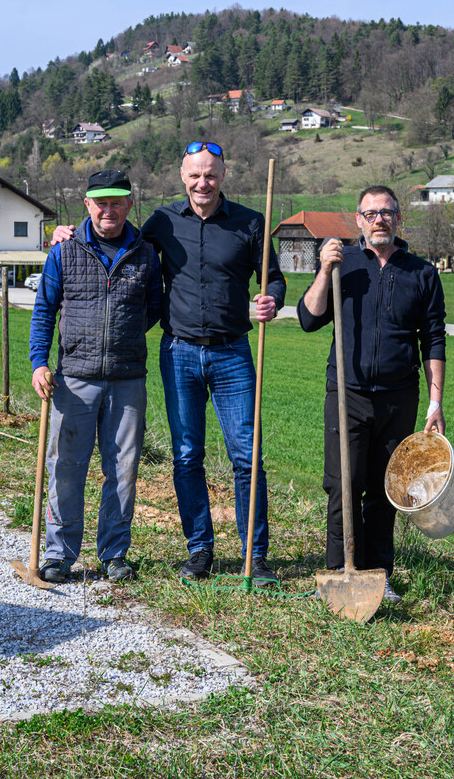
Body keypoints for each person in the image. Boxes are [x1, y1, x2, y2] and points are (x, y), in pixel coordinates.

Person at [50, 142, 285, 582]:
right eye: (195, 175)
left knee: (246, 457)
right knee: (187, 456)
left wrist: (272, 298)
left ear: (223, 174)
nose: (203, 183)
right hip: (179, 353)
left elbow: (274, 279)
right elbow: (116, 237)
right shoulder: (162, 222)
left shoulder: (252, 222)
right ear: (183, 176)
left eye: (210, 175)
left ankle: (255, 558)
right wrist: (69, 234)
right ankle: (200, 550)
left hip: (233, 353)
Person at [297, 185, 447, 604]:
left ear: (398, 218)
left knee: (386, 489)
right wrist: (324, 270)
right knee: (342, 484)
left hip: (399, 397)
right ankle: (338, 572)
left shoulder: (422, 273)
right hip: (347, 393)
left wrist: (435, 402)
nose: (379, 219)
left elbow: (434, 340)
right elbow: (308, 318)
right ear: (358, 220)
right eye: (371, 213)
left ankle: (379, 576)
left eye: (386, 212)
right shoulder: (344, 265)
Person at [29, 169, 162, 583]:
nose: (109, 210)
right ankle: (59, 554)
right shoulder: (63, 251)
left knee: (123, 470)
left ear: (129, 204)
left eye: (116, 202)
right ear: (87, 205)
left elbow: (153, 309)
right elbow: (44, 310)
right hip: (74, 379)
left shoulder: (145, 254)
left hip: (127, 380)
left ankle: (114, 554)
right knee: (66, 468)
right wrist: (39, 363)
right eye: (100, 203)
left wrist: (122, 337)